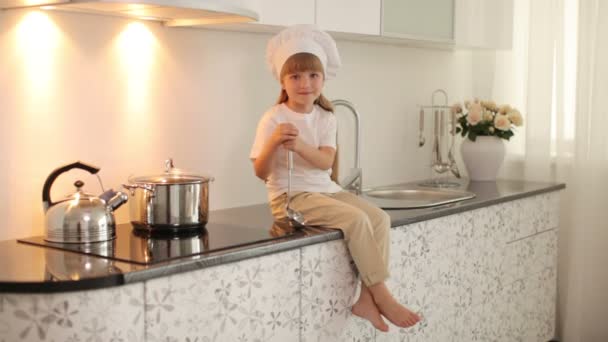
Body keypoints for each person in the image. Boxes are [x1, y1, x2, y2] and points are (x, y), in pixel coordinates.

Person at [249, 25, 421, 332]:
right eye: (296, 76)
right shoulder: (273, 118)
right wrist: (274, 142)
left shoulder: (326, 117)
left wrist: (299, 144)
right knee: (355, 220)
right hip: (291, 198)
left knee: (379, 218)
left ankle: (366, 299)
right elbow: (261, 172)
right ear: (283, 81)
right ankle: (382, 296)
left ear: (323, 79)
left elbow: (325, 161)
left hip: (326, 191)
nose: (305, 83)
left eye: (313, 75)